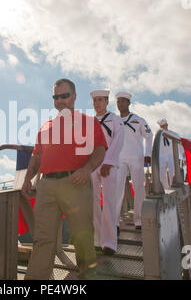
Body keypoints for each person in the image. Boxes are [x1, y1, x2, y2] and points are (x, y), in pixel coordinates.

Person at [21, 79, 107, 279]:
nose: (59, 100)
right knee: (43, 240)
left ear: (74, 96)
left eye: (64, 96)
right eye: (55, 97)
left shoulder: (88, 121)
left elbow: (100, 149)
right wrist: (27, 179)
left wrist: (86, 170)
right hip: (46, 186)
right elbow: (36, 156)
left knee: (83, 238)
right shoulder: (46, 126)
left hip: (75, 183)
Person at [89, 89, 124, 255]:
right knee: (92, 202)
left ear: (107, 101)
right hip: (91, 164)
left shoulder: (115, 120)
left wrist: (108, 161)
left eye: (100, 100)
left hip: (108, 163)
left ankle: (109, 243)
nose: (97, 103)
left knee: (109, 202)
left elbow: (118, 141)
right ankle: (96, 240)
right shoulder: (89, 122)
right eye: (95, 100)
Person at [114, 92, 152, 230]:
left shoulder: (138, 120)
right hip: (119, 158)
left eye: (123, 101)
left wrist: (147, 153)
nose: (120, 104)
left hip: (136, 157)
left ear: (129, 103)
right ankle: (115, 222)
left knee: (139, 188)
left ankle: (139, 220)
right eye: (118, 102)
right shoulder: (115, 121)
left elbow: (149, 135)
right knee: (116, 189)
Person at [157, 118, 174, 189]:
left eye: (165, 125)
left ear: (167, 125)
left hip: (171, 156)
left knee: (173, 173)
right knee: (161, 174)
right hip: (161, 157)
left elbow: (180, 145)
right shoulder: (157, 136)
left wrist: (184, 157)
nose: (164, 127)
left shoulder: (173, 134)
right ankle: (166, 188)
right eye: (162, 126)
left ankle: (173, 187)